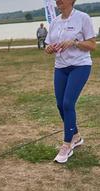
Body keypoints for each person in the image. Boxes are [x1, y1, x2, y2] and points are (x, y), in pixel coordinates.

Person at [45, 0, 96, 163]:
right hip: (60, 67)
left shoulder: (83, 17)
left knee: (68, 103)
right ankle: (76, 136)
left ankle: (67, 145)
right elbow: (48, 45)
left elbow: (92, 45)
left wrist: (74, 42)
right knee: (60, 105)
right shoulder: (54, 22)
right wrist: (49, 48)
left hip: (80, 66)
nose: (58, 0)